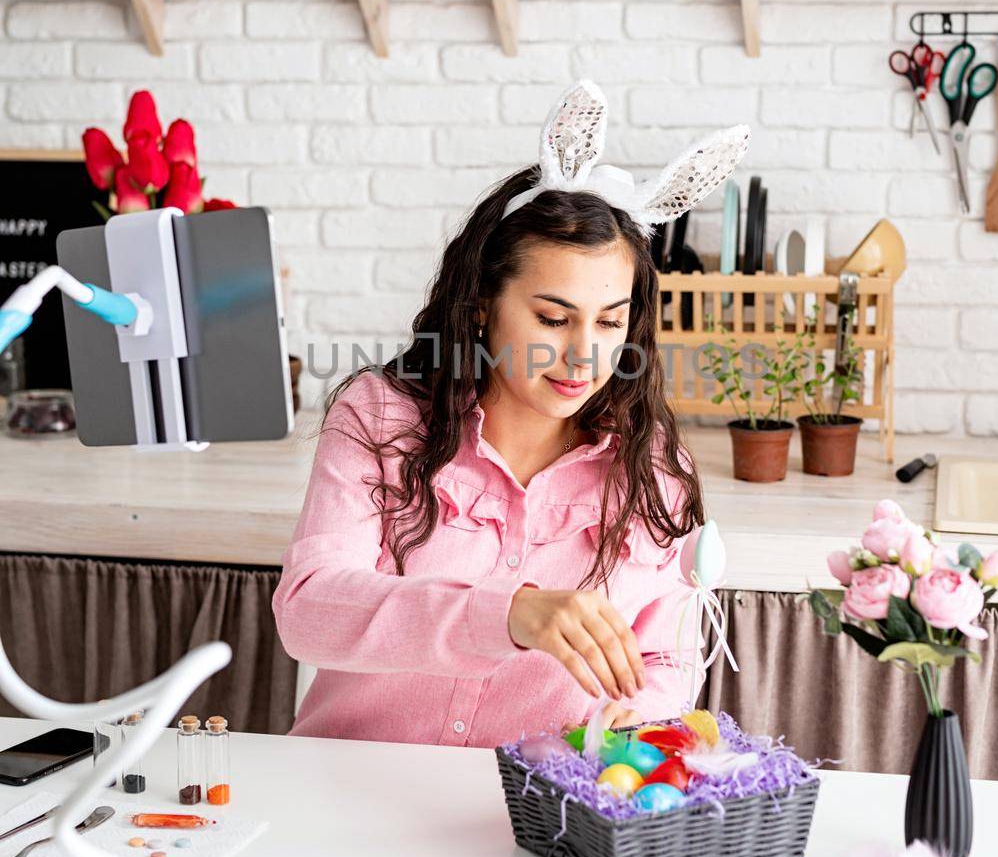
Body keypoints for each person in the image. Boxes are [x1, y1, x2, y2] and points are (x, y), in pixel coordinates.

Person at [273, 81, 748, 747]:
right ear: (481, 308)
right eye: (553, 318)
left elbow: (664, 658)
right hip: (349, 788)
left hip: (536, 810)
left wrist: (637, 716)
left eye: (609, 322)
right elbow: (310, 611)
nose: (584, 355)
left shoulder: (653, 464)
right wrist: (509, 615)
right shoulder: (381, 419)